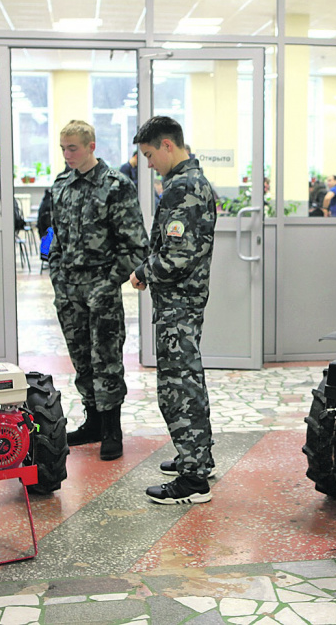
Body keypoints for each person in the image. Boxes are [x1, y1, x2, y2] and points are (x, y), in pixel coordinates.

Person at [129, 116, 217, 505]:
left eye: (149, 155)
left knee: (178, 387)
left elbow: (178, 255)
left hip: (178, 304)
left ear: (167, 145)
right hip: (182, 303)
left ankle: (194, 479)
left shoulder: (183, 188)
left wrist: (142, 272)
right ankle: (198, 457)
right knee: (188, 381)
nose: (148, 164)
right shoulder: (190, 183)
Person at [48, 120, 148, 461]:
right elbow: (55, 239)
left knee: (106, 359)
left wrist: (108, 283)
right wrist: (57, 276)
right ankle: (92, 421)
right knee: (81, 360)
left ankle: (111, 429)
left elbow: (136, 247)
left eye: (72, 147)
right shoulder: (61, 185)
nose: (67, 154)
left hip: (101, 290)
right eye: (63, 148)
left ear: (91, 146)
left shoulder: (115, 185)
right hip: (69, 291)